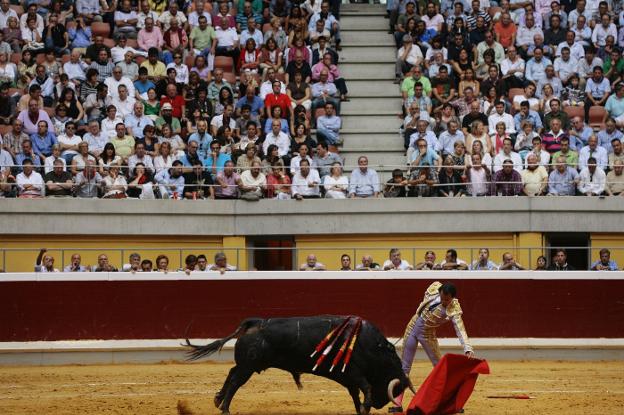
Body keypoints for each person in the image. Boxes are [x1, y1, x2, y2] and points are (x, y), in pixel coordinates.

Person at [391, 281, 474, 413]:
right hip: (412, 328)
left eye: (447, 299)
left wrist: (467, 348)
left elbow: (460, 328)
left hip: (427, 334)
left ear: (453, 298)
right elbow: (422, 306)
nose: (443, 301)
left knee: (441, 368)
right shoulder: (434, 287)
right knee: (404, 367)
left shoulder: (453, 307)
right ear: (439, 292)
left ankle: (453, 403)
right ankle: (397, 403)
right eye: (442, 297)